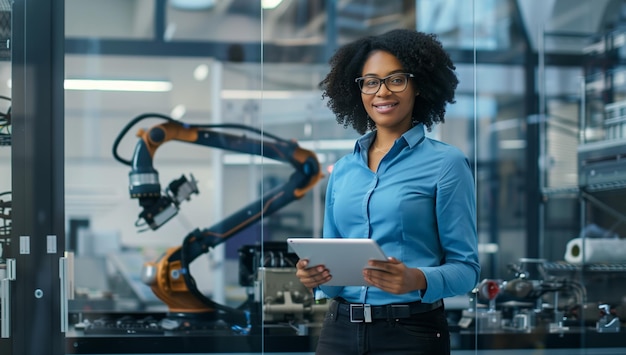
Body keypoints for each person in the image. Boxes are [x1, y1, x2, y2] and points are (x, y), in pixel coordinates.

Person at [295, 28, 480, 355]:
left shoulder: (447, 164)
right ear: (358, 90)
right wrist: (317, 276)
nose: (382, 92)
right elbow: (335, 277)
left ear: (419, 84)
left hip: (411, 334)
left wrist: (417, 279)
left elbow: (467, 271)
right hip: (339, 332)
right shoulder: (343, 171)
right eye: (370, 81)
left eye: (396, 79)